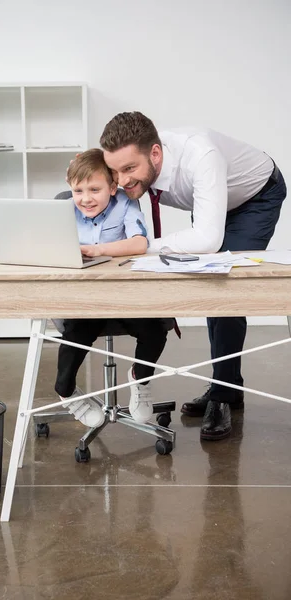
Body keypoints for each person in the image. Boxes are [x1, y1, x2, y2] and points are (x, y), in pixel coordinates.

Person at [100, 111, 287, 441]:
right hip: (218, 200)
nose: (122, 180)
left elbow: (207, 239)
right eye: (114, 170)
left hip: (256, 196)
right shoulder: (131, 169)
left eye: (129, 169)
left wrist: (141, 246)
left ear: (155, 154)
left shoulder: (200, 156)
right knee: (208, 282)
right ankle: (227, 385)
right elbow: (99, 193)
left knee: (223, 289)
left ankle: (223, 395)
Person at [55, 148, 173, 428]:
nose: (85, 198)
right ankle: (66, 391)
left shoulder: (125, 204)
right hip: (84, 301)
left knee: (155, 330)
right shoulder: (63, 210)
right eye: (78, 190)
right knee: (74, 335)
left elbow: (139, 243)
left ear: (112, 186)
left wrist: (97, 250)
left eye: (94, 189)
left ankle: (140, 378)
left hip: (124, 298)